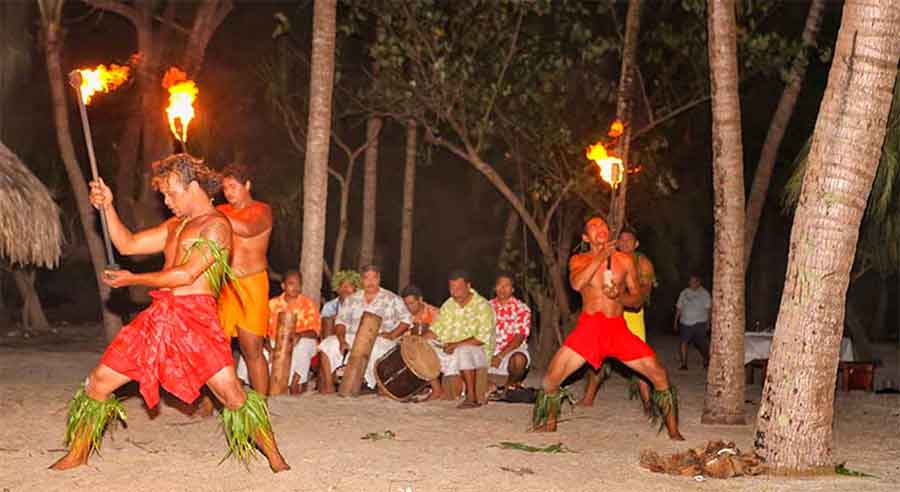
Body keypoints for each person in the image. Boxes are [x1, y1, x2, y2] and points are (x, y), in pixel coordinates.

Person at [51, 154, 289, 472]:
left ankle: (275, 456)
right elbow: (128, 244)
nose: (165, 200)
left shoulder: (217, 225)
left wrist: (133, 279)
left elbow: (187, 275)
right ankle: (77, 453)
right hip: (160, 315)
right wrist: (107, 207)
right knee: (100, 380)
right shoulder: (175, 225)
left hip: (197, 321)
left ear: (190, 186)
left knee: (232, 394)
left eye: (169, 193)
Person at [536, 217, 683, 440]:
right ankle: (549, 424)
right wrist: (600, 258)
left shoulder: (624, 261)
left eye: (603, 225)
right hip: (589, 327)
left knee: (659, 374)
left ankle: (674, 431)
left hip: (617, 328)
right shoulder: (579, 259)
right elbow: (576, 284)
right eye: (593, 227)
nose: (600, 229)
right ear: (586, 237)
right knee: (551, 378)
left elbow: (637, 300)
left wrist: (619, 296)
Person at [579, 229, 655, 413]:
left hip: (631, 314)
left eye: (630, 240)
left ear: (636, 244)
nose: (625, 242)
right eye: (621, 239)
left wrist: (620, 298)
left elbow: (644, 292)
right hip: (608, 314)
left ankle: (648, 404)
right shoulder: (609, 259)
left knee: (640, 358)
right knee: (597, 355)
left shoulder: (642, 262)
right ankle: (588, 398)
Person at [216, 163, 274, 396]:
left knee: (251, 349)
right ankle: (214, 403)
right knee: (218, 348)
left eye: (233, 186)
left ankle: (261, 405)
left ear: (247, 185)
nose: (228, 192)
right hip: (225, 286)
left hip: (252, 284)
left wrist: (212, 214)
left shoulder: (261, 210)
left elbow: (248, 229)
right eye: (225, 188)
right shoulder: (221, 210)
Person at [317, 264, 411, 393]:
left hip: (380, 338)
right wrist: (342, 340)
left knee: (378, 348)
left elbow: (407, 320)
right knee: (327, 344)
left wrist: (392, 334)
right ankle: (329, 386)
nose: (371, 282)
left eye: (374, 278)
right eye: (367, 278)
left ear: (379, 279)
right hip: (353, 336)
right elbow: (340, 322)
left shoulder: (392, 298)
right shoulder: (351, 299)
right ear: (361, 280)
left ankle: (373, 384)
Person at [236, 270, 320, 394]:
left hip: (302, 340)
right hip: (275, 341)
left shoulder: (308, 304)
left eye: (298, 284)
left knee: (301, 347)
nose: (295, 287)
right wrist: (269, 347)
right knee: (252, 350)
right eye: (291, 283)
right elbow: (263, 331)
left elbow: (315, 331)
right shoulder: (272, 304)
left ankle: (296, 383)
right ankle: (241, 383)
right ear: (283, 286)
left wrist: (300, 335)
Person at [421, 270, 495, 409]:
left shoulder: (482, 305)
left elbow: (481, 339)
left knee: (464, 350)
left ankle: (472, 398)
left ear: (468, 286)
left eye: (459, 288)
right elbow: (436, 330)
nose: (455, 292)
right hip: (451, 350)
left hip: (477, 354)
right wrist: (417, 341)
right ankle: (437, 390)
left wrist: (456, 345)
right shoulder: (448, 305)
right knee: (425, 346)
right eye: (451, 288)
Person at [488, 273, 531, 390]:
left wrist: (500, 356)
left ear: (512, 289)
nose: (502, 289)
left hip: (510, 351)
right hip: (489, 351)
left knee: (519, 359)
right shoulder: (485, 307)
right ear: (495, 287)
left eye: (506, 285)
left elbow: (519, 337)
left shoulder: (522, 308)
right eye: (500, 285)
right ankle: (492, 384)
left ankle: (509, 385)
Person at [674, 274, 711, 370]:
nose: (691, 283)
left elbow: (708, 309)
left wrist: (708, 323)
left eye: (694, 281)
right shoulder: (684, 293)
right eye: (690, 281)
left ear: (698, 282)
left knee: (702, 343)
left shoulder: (704, 293)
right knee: (683, 342)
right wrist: (675, 321)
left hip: (700, 322)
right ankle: (684, 364)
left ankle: (706, 359)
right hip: (685, 322)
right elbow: (679, 308)